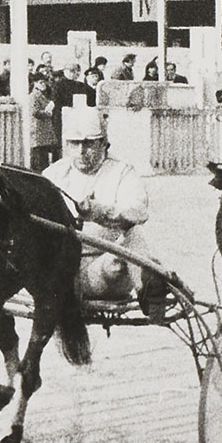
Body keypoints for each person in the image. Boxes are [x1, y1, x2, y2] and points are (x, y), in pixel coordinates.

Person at [41, 105, 168, 322]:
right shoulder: (52, 174)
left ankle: (151, 291)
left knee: (133, 234)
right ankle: (151, 271)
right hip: (62, 273)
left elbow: (138, 212)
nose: (81, 151)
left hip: (104, 270)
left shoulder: (122, 172)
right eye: (74, 144)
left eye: (89, 144)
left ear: (103, 144)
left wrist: (99, 211)